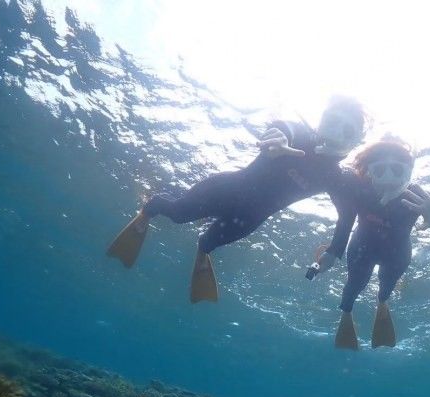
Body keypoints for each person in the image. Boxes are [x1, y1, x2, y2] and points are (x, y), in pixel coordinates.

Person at [107, 96, 368, 302]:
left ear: (355, 142)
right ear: (320, 121)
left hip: (249, 218)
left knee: (209, 243)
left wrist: (335, 252)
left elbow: (347, 216)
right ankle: (150, 208)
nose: (336, 134)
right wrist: (277, 138)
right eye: (332, 122)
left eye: (347, 131)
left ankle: (203, 250)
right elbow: (283, 128)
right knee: (177, 214)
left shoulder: (336, 178)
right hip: (223, 191)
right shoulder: (298, 135)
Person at [308, 139, 430, 349]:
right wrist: (333, 252)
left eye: (397, 170)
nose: (389, 178)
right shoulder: (360, 190)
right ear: (369, 172)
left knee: (386, 286)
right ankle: (347, 312)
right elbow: (341, 206)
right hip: (362, 248)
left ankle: (382, 302)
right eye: (380, 170)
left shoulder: (416, 195)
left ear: (409, 172)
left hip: (396, 253)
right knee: (353, 287)